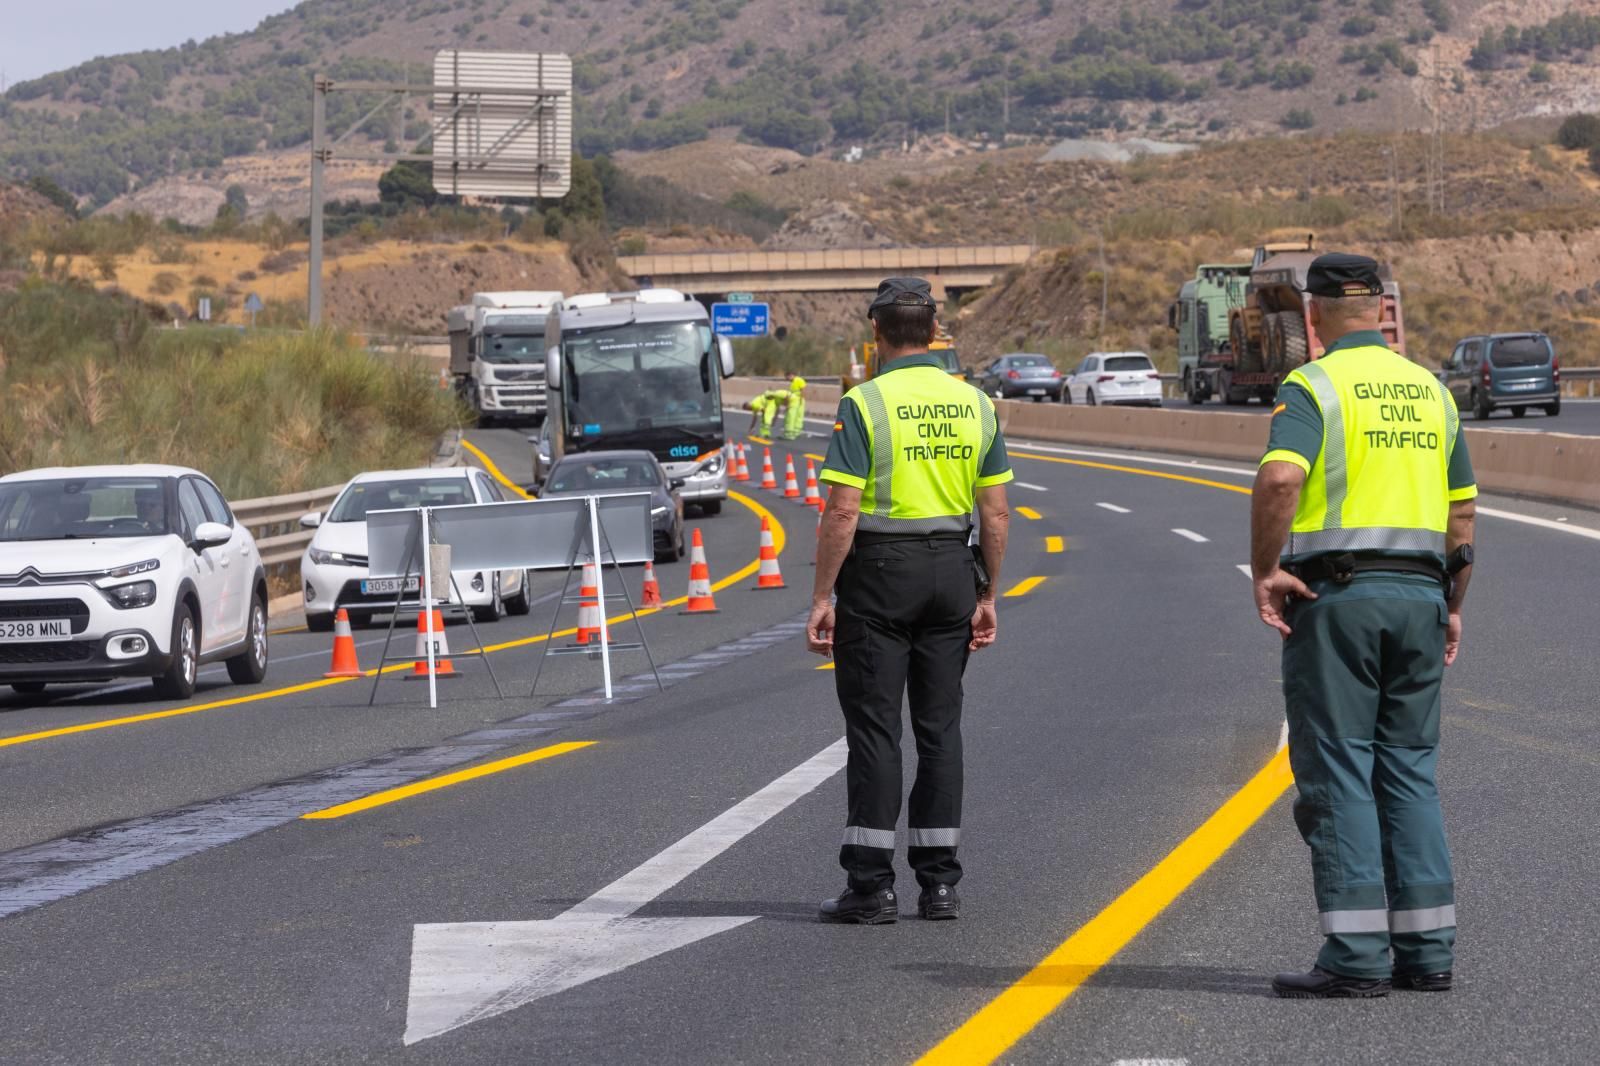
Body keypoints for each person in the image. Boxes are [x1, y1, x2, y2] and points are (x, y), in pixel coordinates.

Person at [1250, 253, 1477, 998]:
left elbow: (1282, 475)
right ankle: (1428, 950)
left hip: (1339, 600)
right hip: (1420, 598)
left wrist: (1265, 569)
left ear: (1312, 316)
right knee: (1409, 771)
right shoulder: (1432, 392)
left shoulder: (1313, 384)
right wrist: (1453, 606)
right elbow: (1462, 515)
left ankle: (1355, 956)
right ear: (1383, 310)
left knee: (1341, 768)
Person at [808, 276, 1012, 924]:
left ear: (875, 332)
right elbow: (998, 512)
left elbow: (842, 512)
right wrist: (987, 592)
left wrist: (821, 596)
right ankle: (940, 884)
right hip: (952, 569)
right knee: (940, 729)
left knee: (875, 731)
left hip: (879, 575)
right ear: (932, 331)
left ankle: (870, 888)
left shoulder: (863, 404)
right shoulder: (976, 404)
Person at [782, 374, 807, 440]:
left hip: (799, 400)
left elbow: (803, 390)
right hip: (795, 401)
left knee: (798, 415)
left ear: (791, 375)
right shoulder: (792, 383)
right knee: (794, 416)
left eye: (787, 377)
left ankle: (796, 431)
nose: (787, 379)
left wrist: (801, 400)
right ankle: (795, 432)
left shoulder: (799, 380)